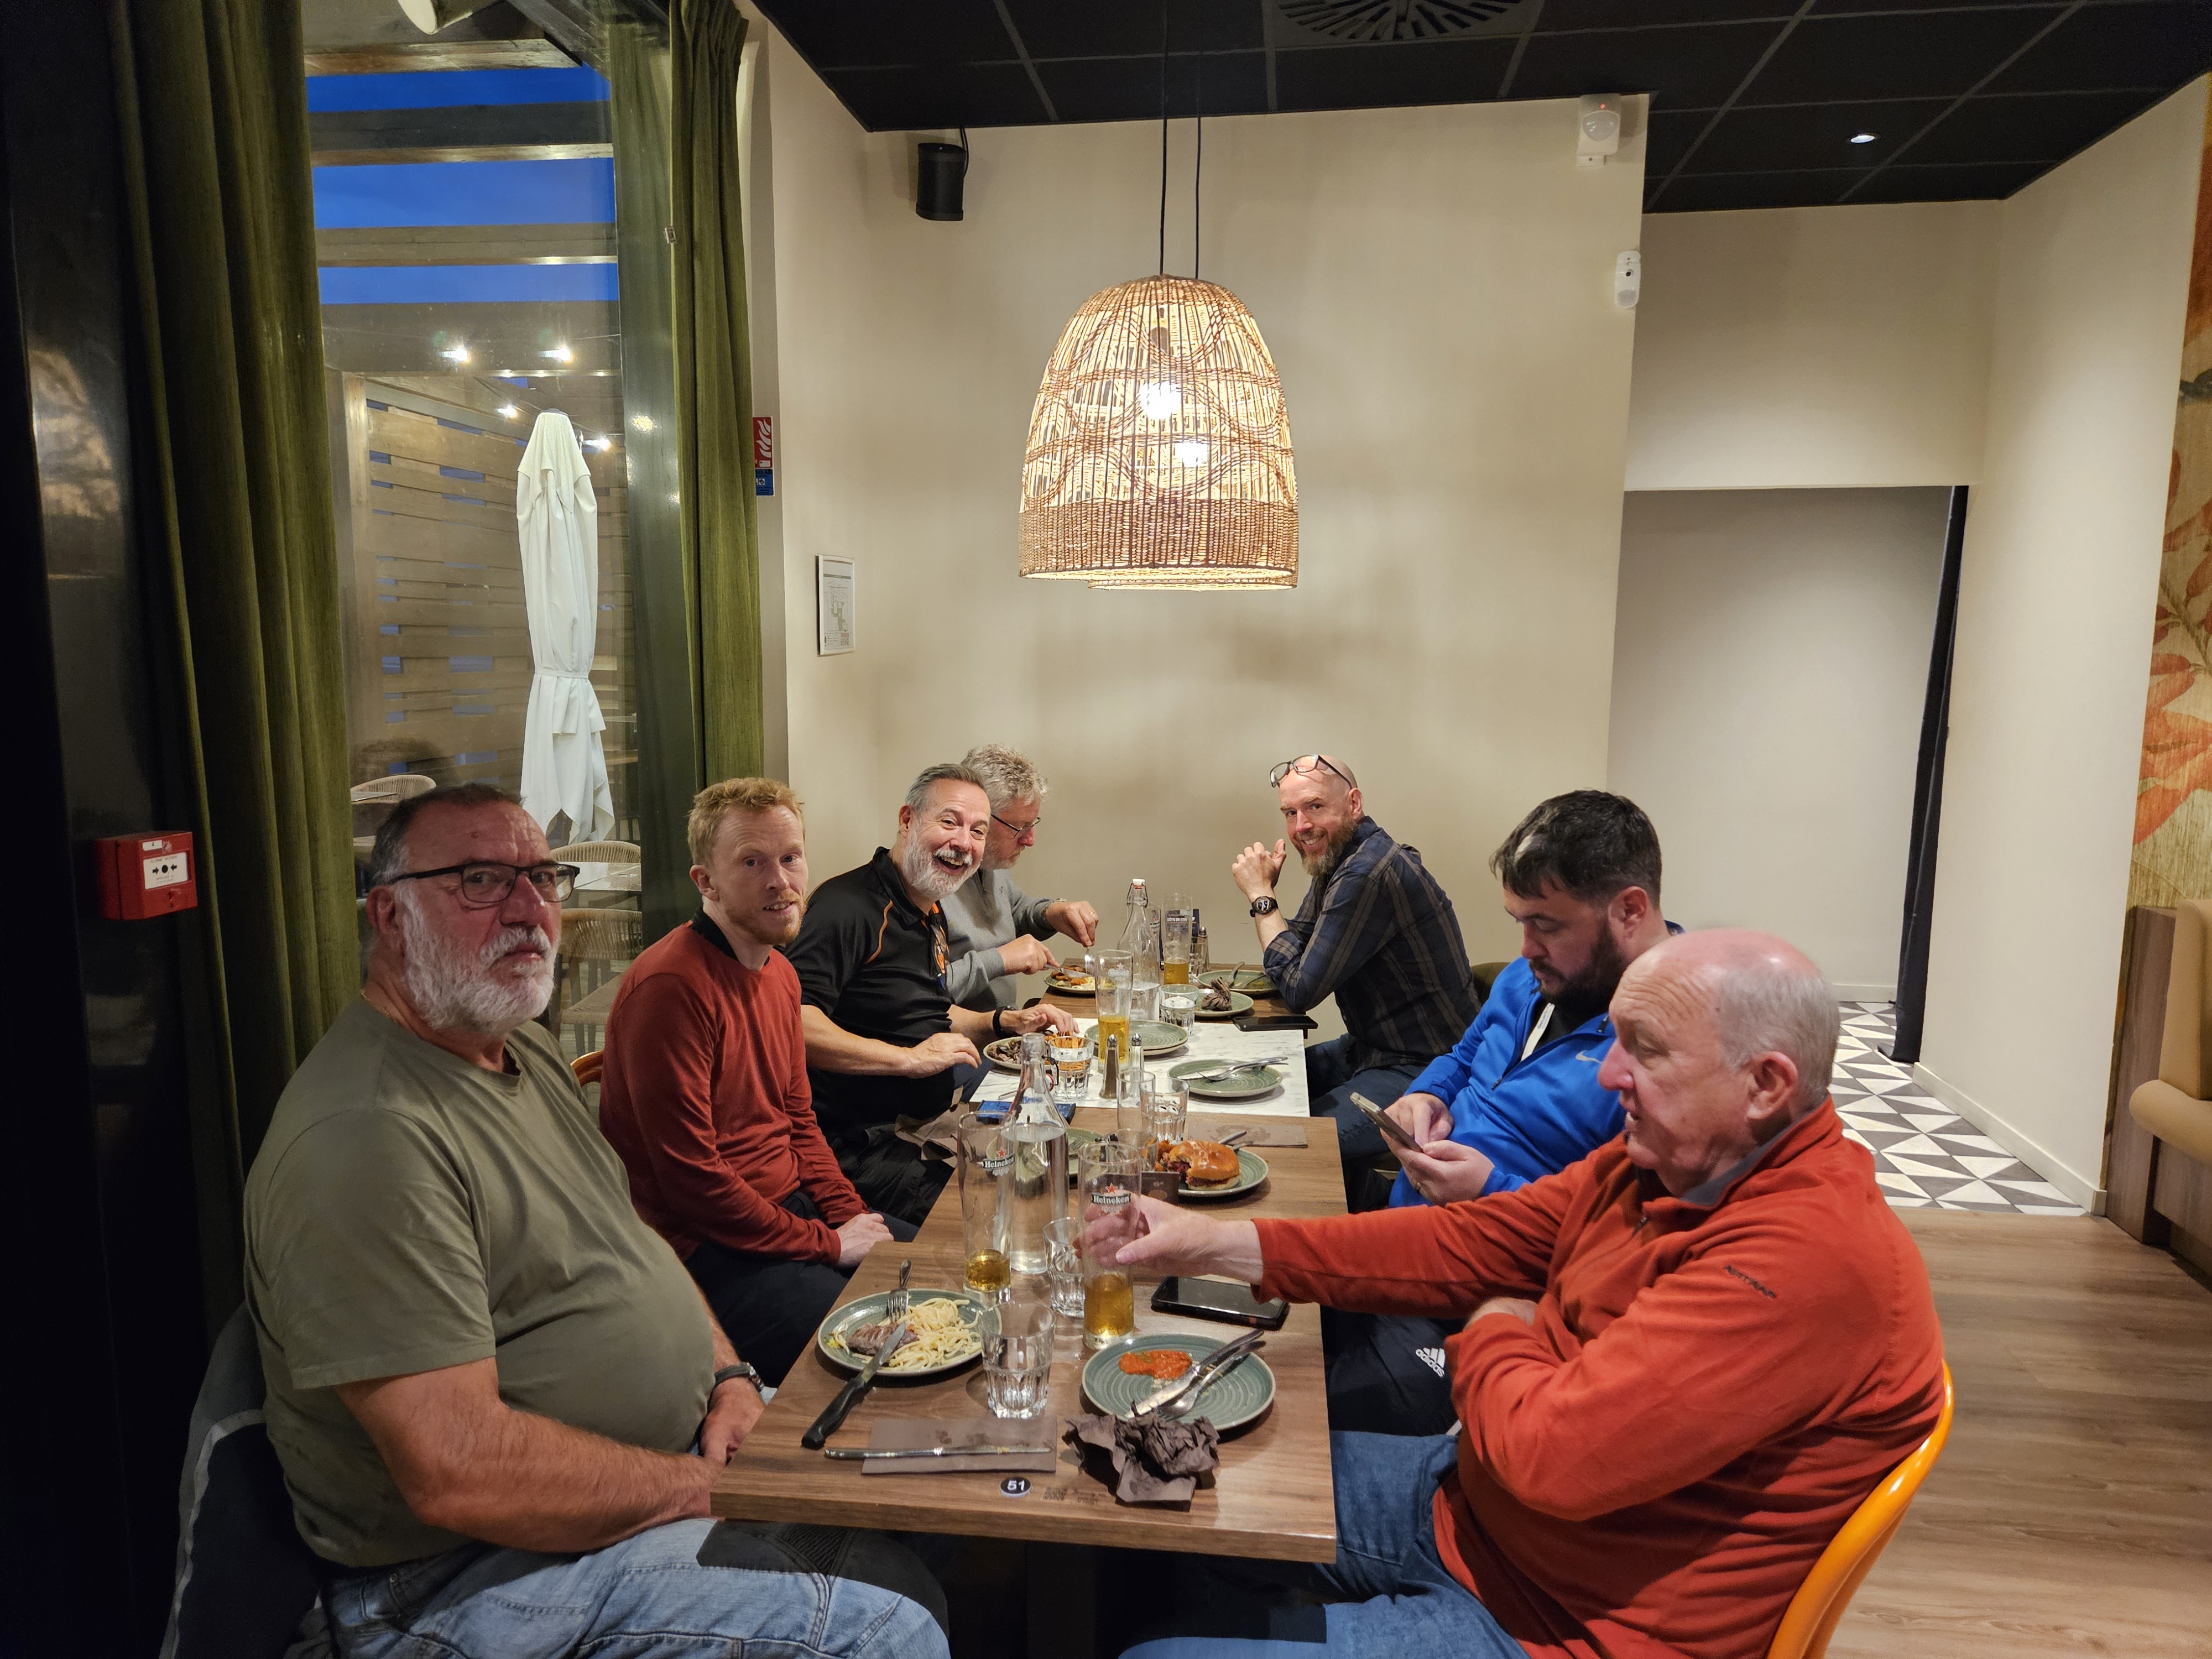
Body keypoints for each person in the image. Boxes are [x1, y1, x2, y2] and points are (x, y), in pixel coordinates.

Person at [1093, 929, 1947, 1659]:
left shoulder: (1805, 1261)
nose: (1610, 1076)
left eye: (1646, 1050)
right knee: (1149, 1480)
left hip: (1562, 1625)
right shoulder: (1663, 1164)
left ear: (1766, 1085)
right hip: (1472, 1506)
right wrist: (1209, 1241)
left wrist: (1496, 1318)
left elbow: (1547, 1456)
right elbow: (1464, 1243)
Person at [243, 783, 947, 1659]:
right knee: (885, 1627)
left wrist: (730, 1380)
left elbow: (633, 1237)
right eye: (479, 880)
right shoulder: (367, 1138)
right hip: (468, 1573)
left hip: (670, 1451)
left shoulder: (518, 1049)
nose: (528, 910)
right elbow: (457, 1472)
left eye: (542, 878)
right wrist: (701, 1486)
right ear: (389, 915)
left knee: (917, 1473)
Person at [1327, 790, 1677, 1436]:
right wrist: (1428, 1095)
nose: (1526, 947)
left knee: (1301, 1422)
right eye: (1519, 921)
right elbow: (1464, 1054)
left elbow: (1632, 1245)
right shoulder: (1532, 975)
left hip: (1480, 1303)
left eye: (1546, 924)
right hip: (1401, 1242)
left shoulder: (1673, 1044)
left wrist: (1489, 1189)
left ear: (1630, 910)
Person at [598, 777, 917, 1389]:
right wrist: (829, 1246)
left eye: (790, 858)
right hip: (705, 1252)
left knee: (945, 1280)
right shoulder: (670, 989)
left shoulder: (779, 975)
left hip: (787, 1213)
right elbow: (693, 1184)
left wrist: (851, 1220)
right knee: (886, 1356)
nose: (780, 881)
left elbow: (800, 1122)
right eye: (752, 863)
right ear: (706, 882)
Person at [787, 761, 1074, 1224]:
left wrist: (1002, 1022)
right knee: (1016, 1211)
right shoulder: (846, 908)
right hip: (865, 1145)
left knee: (1056, 1150)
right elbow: (792, 1023)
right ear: (908, 820)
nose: (964, 842)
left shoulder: (927, 907)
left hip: (929, 1123)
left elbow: (925, 1009)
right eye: (949, 822)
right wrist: (906, 1059)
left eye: (978, 831)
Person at [1231, 754, 1479, 1195]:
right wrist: (1270, 903)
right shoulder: (1341, 859)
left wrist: (1262, 897)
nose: (1302, 826)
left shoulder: (1368, 872)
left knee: (1282, 1145)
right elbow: (1301, 947)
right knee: (1241, 1087)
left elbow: (1300, 988)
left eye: (1314, 807)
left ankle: (1356, 1221)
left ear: (1354, 803)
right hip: (1370, 1049)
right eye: (1290, 813)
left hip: (1422, 1068)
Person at [941, 743, 1100, 1010]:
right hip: (963, 1033)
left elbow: (1012, 911)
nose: (1030, 840)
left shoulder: (991, 864)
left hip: (1004, 1024)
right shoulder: (931, 880)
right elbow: (922, 991)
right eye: (1020, 828)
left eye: (1032, 825)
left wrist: (1051, 912)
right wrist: (1001, 960)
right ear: (979, 815)